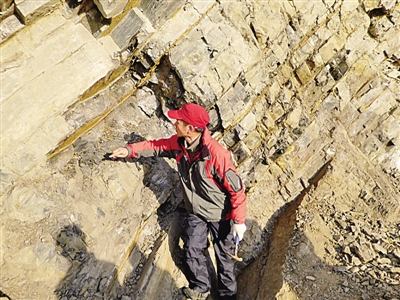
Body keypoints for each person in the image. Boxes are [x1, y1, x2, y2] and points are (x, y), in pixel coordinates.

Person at [110, 103, 247, 300]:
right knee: (192, 248)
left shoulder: (217, 155)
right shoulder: (180, 144)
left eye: (178, 121)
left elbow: (237, 191)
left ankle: (227, 296)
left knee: (225, 259)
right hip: (196, 211)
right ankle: (201, 287)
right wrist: (129, 150)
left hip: (221, 215)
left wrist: (239, 222)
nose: (174, 123)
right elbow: (156, 146)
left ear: (190, 128)